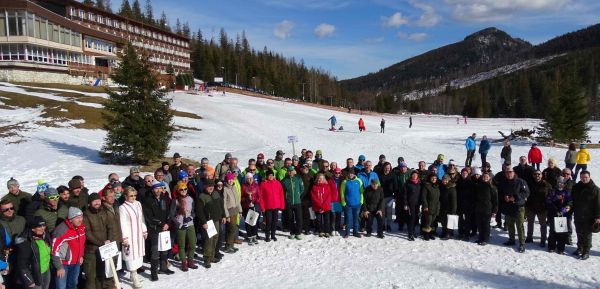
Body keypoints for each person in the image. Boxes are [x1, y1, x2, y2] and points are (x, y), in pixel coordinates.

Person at [82, 193, 118, 289]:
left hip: (104, 249)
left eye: (98, 200)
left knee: (101, 274)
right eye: (94, 201)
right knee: (91, 276)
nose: (97, 202)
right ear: (90, 203)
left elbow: (110, 227)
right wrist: (102, 243)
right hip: (91, 250)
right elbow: (88, 234)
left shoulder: (104, 212)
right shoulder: (86, 215)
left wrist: (109, 240)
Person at [142, 182, 174, 281]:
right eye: (156, 189)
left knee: (164, 249)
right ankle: (153, 272)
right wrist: (161, 224)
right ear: (152, 190)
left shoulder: (164, 198)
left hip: (165, 227)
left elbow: (169, 212)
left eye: (160, 188)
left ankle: (163, 268)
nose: (158, 190)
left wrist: (168, 223)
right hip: (155, 229)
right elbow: (149, 217)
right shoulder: (148, 200)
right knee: (155, 250)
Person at [119, 186, 148, 288]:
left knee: (138, 255)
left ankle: (133, 274)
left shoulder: (138, 204)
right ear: (126, 196)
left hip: (138, 234)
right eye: (131, 196)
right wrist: (125, 238)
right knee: (131, 256)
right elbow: (122, 224)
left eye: (135, 195)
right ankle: (134, 275)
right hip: (129, 236)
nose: (133, 198)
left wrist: (144, 230)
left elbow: (142, 218)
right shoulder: (122, 207)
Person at [14, 216, 53, 289]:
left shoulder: (44, 235)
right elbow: (22, 264)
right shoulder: (25, 242)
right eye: (39, 226)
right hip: (34, 275)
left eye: (44, 225)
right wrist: (29, 280)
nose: (43, 228)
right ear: (32, 228)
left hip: (46, 271)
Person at [51, 207, 86, 289]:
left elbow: (81, 243)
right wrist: (59, 267)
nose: (80, 220)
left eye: (81, 217)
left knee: (73, 285)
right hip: (63, 264)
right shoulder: (61, 230)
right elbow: (54, 250)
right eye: (77, 218)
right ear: (70, 219)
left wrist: (81, 256)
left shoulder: (81, 228)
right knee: (61, 286)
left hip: (76, 263)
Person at [196, 180, 226, 268]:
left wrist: (223, 215)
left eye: (212, 186)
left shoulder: (216, 193)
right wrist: (204, 222)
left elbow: (221, 205)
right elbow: (199, 211)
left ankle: (212, 256)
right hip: (208, 221)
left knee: (215, 238)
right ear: (205, 186)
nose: (211, 187)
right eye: (209, 186)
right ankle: (207, 259)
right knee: (209, 240)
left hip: (217, 220)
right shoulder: (202, 196)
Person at [571, 171, 600, 260]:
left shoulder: (595, 189)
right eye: (582, 177)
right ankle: (580, 248)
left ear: (589, 177)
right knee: (579, 232)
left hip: (589, 216)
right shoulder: (576, 187)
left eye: (586, 177)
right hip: (578, 214)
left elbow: (598, 204)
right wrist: (566, 210)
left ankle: (586, 252)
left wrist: (598, 217)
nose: (584, 179)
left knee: (587, 234)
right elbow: (572, 201)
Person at [500, 167, 530, 253]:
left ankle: (522, 243)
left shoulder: (520, 181)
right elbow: (501, 192)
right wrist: (504, 197)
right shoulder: (504, 182)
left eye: (510, 172)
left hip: (518, 206)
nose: (508, 174)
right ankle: (511, 239)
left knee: (519, 226)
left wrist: (515, 198)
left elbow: (526, 193)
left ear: (513, 172)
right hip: (508, 206)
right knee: (510, 224)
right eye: (507, 172)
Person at [169, 182, 197, 270]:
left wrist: (191, 217)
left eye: (185, 189)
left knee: (193, 244)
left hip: (190, 224)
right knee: (181, 246)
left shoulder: (190, 198)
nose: (183, 191)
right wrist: (178, 224)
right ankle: (184, 262)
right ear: (178, 190)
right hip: (180, 226)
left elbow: (193, 212)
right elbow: (171, 215)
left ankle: (190, 260)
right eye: (181, 189)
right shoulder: (175, 200)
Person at [526, 170, 551, 246]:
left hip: (542, 208)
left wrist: (547, 206)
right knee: (530, 223)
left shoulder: (546, 185)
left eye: (539, 174)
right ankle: (529, 237)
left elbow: (550, 196)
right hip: (531, 207)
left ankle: (543, 240)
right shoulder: (529, 184)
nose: (537, 175)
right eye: (535, 174)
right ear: (533, 175)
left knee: (543, 225)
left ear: (541, 175)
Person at [546, 178, 571, 254]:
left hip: (563, 215)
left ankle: (561, 248)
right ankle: (551, 247)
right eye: (559, 183)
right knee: (553, 231)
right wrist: (555, 198)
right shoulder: (553, 191)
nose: (560, 184)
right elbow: (548, 200)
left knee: (562, 232)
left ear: (564, 184)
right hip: (554, 213)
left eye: (562, 183)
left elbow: (570, 202)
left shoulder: (567, 192)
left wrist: (565, 209)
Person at [259, 170, 285, 242]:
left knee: (274, 221)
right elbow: (260, 197)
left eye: (272, 175)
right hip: (267, 207)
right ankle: (267, 236)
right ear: (266, 176)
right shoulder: (263, 184)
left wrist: (282, 205)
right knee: (268, 222)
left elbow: (281, 194)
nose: (270, 176)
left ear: (273, 176)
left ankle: (273, 235)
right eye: (269, 175)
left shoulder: (277, 183)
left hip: (276, 206)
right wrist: (262, 207)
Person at [473, 173, 498, 246]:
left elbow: (495, 201)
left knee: (486, 225)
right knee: (479, 224)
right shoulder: (478, 186)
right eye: (484, 176)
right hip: (478, 208)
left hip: (488, 209)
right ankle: (480, 237)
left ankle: (485, 239)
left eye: (487, 177)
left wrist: (494, 211)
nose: (485, 178)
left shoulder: (492, 187)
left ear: (490, 178)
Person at [281, 166, 304, 240]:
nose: (291, 172)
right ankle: (292, 232)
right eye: (289, 171)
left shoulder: (298, 178)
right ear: (287, 171)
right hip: (289, 202)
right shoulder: (284, 180)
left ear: (294, 171)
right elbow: (282, 192)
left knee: (299, 218)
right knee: (290, 218)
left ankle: (298, 232)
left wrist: (298, 194)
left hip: (297, 202)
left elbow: (302, 188)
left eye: (292, 170)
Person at [340, 168, 364, 238]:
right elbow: (342, 193)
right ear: (348, 174)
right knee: (348, 219)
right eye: (349, 173)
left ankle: (355, 232)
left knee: (356, 219)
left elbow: (361, 192)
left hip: (357, 204)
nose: (350, 175)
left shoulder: (359, 181)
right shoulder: (345, 182)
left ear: (354, 174)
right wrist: (343, 202)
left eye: (352, 173)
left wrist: (361, 201)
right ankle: (347, 233)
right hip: (348, 205)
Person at [223, 173, 242, 253]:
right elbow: (224, 203)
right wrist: (227, 215)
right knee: (231, 229)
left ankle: (230, 245)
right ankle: (228, 246)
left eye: (231, 179)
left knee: (233, 228)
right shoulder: (225, 189)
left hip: (235, 210)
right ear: (227, 180)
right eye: (229, 179)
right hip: (229, 210)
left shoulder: (234, 187)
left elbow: (237, 200)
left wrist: (240, 210)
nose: (230, 181)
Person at [241, 173, 260, 245]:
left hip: (254, 206)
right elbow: (241, 197)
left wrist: (255, 202)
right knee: (248, 222)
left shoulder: (256, 185)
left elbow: (259, 196)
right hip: (247, 206)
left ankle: (254, 236)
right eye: (248, 178)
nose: (250, 179)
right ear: (246, 179)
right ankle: (249, 237)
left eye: (251, 178)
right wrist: (246, 199)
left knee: (254, 222)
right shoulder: (243, 186)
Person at [379, 162, 399, 232]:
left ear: (390, 168)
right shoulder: (380, 175)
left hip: (390, 197)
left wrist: (395, 196)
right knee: (382, 211)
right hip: (381, 197)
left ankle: (388, 225)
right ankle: (383, 225)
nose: (387, 169)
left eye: (388, 167)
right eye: (386, 167)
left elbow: (396, 187)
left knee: (389, 212)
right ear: (383, 167)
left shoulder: (393, 175)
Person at [421, 173, 440, 241]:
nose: (434, 179)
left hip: (435, 207)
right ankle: (426, 233)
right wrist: (425, 206)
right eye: (432, 178)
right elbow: (423, 197)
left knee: (433, 221)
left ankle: (431, 233)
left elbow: (438, 198)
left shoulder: (437, 186)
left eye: (435, 178)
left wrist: (438, 207)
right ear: (430, 178)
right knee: (428, 221)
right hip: (428, 207)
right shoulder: (426, 186)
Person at [439, 175, 457, 240]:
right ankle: (444, 232)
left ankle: (448, 234)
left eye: (446, 180)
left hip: (449, 208)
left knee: (449, 221)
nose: (445, 181)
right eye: (443, 179)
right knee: (443, 221)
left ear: (449, 180)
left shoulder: (451, 188)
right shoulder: (442, 187)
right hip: (443, 207)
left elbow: (454, 201)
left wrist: (453, 211)